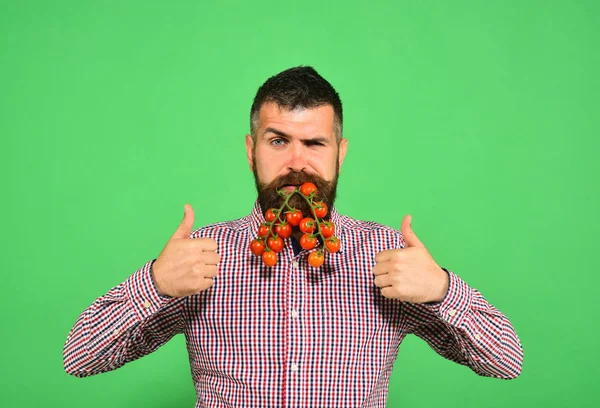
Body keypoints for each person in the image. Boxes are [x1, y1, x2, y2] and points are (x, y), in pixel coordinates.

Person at [63, 66, 523, 407]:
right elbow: (79, 356)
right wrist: (156, 283)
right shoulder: (202, 258)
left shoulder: (387, 259)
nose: (296, 163)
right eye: (278, 141)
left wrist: (442, 288)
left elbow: (506, 361)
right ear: (251, 150)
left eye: (315, 143)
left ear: (339, 153)